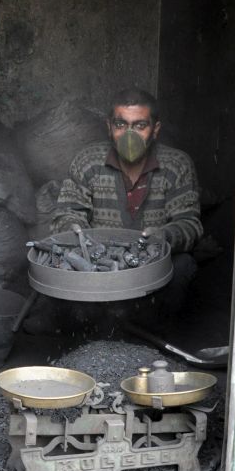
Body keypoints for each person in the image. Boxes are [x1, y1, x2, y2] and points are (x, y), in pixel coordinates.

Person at [49, 86, 202, 319]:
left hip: (152, 265)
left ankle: (155, 334)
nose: (130, 135)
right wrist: (78, 234)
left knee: (183, 265)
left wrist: (163, 237)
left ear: (155, 129)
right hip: (100, 266)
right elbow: (67, 213)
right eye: (121, 125)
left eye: (140, 125)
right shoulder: (88, 161)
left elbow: (190, 224)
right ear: (109, 128)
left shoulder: (176, 164)